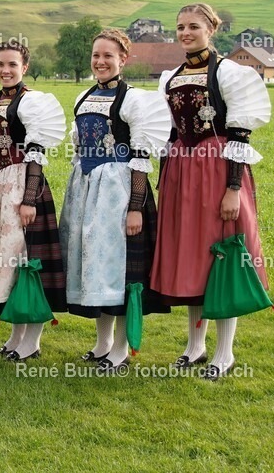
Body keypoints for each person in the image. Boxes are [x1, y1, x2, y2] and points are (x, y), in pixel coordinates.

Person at [151, 3, 271, 380]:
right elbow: (169, 131)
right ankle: (195, 345)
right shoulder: (170, 76)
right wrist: (165, 174)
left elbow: (239, 134)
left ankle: (225, 351)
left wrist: (233, 188)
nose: (186, 33)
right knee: (191, 258)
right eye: (180, 27)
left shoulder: (229, 73)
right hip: (181, 173)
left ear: (211, 29)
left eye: (194, 27)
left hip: (217, 171)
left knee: (221, 258)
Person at [59, 29, 171, 370]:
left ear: (124, 58)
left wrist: (135, 208)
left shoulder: (134, 100)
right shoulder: (83, 96)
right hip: (85, 187)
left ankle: (120, 348)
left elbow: (140, 159)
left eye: (108, 56)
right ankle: (102, 343)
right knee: (94, 263)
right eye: (96, 55)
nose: (100, 62)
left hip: (118, 190)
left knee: (118, 268)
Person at [0, 41, 66, 362]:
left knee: (26, 262)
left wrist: (30, 199)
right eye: (0, 64)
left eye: (12, 65)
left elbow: (36, 154)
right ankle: (16, 336)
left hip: (22, 185)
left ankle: (32, 341)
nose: (5, 70)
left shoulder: (32, 102)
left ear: (24, 67)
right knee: (6, 262)